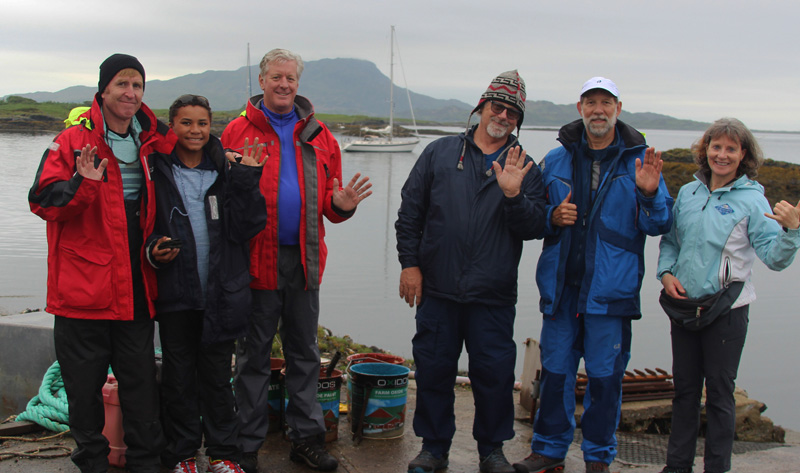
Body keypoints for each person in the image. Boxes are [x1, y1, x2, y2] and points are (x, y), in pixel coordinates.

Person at [221, 48, 372, 473]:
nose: (284, 84)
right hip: (254, 261)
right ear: (262, 80)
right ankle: (246, 444)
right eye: (276, 77)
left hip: (304, 261)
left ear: (297, 85)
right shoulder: (235, 131)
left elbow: (331, 204)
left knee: (304, 353)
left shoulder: (321, 135)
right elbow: (221, 199)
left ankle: (305, 439)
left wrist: (342, 205)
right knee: (252, 355)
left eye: (291, 78)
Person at [513, 77, 674, 473]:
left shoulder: (640, 161)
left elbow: (661, 224)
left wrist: (651, 195)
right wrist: (551, 217)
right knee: (554, 374)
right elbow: (534, 217)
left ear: (618, 108)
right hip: (562, 290)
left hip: (610, 294)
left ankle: (598, 457)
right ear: (580, 108)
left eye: (606, 102)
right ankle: (549, 451)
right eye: (590, 102)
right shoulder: (556, 159)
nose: (598, 110)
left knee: (604, 381)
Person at [28, 53, 175, 473]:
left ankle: (147, 463)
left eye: (138, 86)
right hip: (81, 288)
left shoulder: (153, 138)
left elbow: (196, 161)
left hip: (135, 282)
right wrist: (82, 185)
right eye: (122, 84)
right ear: (104, 89)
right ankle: (92, 463)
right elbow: (41, 201)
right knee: (82, 387)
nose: (131, 93)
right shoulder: (73, 140)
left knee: (140, 383)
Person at [396, 70, 546, 473]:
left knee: (494, 376)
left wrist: (513, 194)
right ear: (481, 107)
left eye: (513, 112)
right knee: (433, 369)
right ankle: (433, 447)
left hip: (492, 295)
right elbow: (410, 213)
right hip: (437, 289)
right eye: (497, 106)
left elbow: (536, 227)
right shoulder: (439, 153)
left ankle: (491, 451)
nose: (503, 115)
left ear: (518, 120)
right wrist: (409, 264)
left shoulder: (526, 166)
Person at [656, 118, 800, 473]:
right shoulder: (688, 194)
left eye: (730, 149)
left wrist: (793, 231)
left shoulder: (753, 200)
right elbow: (671, 241)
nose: (722, 155)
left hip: (727, 310)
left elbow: (773, 257)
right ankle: (677, 466)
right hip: (685, 306)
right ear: (705, 150)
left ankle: (716, 468)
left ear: (744, 155)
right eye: (715, 146)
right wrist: (666, 273)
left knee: (720, 396)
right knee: (685, 393)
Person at [146, 95, 267, 473]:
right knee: (178, 378)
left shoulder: (226, 170)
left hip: (221, 296)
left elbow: (248, 227)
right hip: (176, 293)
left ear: (210, 126)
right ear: (173, 126)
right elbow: (144, 224)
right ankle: (182, 455)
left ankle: (222, 454)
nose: (195, 131)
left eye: (202, 123)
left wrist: (247, 178)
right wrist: (152, 250)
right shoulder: (157, 169)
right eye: (186, 123)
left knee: (217, 379)